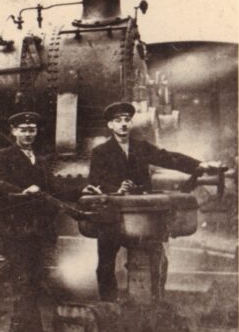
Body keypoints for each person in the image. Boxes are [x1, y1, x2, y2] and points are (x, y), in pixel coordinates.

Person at [83, 101, 217, 301]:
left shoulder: (141, 147)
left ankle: (155, 300)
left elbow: (169, 158)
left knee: (157, 258)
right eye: (118, 121)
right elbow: (94, 181)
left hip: (142, 214)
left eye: (127, 120)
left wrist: (200, 165)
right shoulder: (100, 152)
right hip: (111, 214)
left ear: (131, 123)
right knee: (105, 263)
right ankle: (109, 304)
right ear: (110, 125)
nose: (123, 124)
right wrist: (116, 189)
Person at [0, 112, 59, 332]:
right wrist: (21, 192)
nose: (28, 134)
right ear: (14, 131)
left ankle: (23, 329)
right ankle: (28, 331)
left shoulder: (41, 160)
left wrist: (83, 190)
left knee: (34, 278)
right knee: (23, 278)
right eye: (24, 130)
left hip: (36, 228)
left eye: (32, 130)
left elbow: (54, 189)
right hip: (14, 227)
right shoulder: (3, 155)